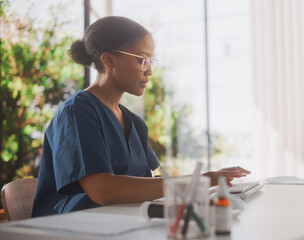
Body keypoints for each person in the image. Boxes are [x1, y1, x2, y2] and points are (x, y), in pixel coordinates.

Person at [31, 16, 250, 217]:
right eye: (141, 60)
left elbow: (147, 184)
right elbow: (103, 191)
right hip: (74, 227)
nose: (149, 71)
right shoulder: (77, 112)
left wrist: (204, 190)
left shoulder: (134, 122)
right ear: (108, 59)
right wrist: (199, 181)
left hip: (123, 223)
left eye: (151, 61)